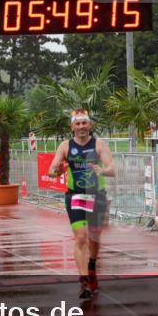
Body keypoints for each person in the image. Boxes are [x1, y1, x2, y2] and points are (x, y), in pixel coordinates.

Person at [47, 109, 115, 299]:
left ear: (90, 125)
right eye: (77, 124)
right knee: (80, 237)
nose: (81, 127)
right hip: (76, 195)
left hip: (97, 195)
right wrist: (58, 171)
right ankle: (84, 281)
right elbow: (51, 170)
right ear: (72, 127)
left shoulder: (99, 145)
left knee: (94, 237)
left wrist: (102, 170)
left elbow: (112, 169)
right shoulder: (65, 146)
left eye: (84, 123)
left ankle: (91, 264)